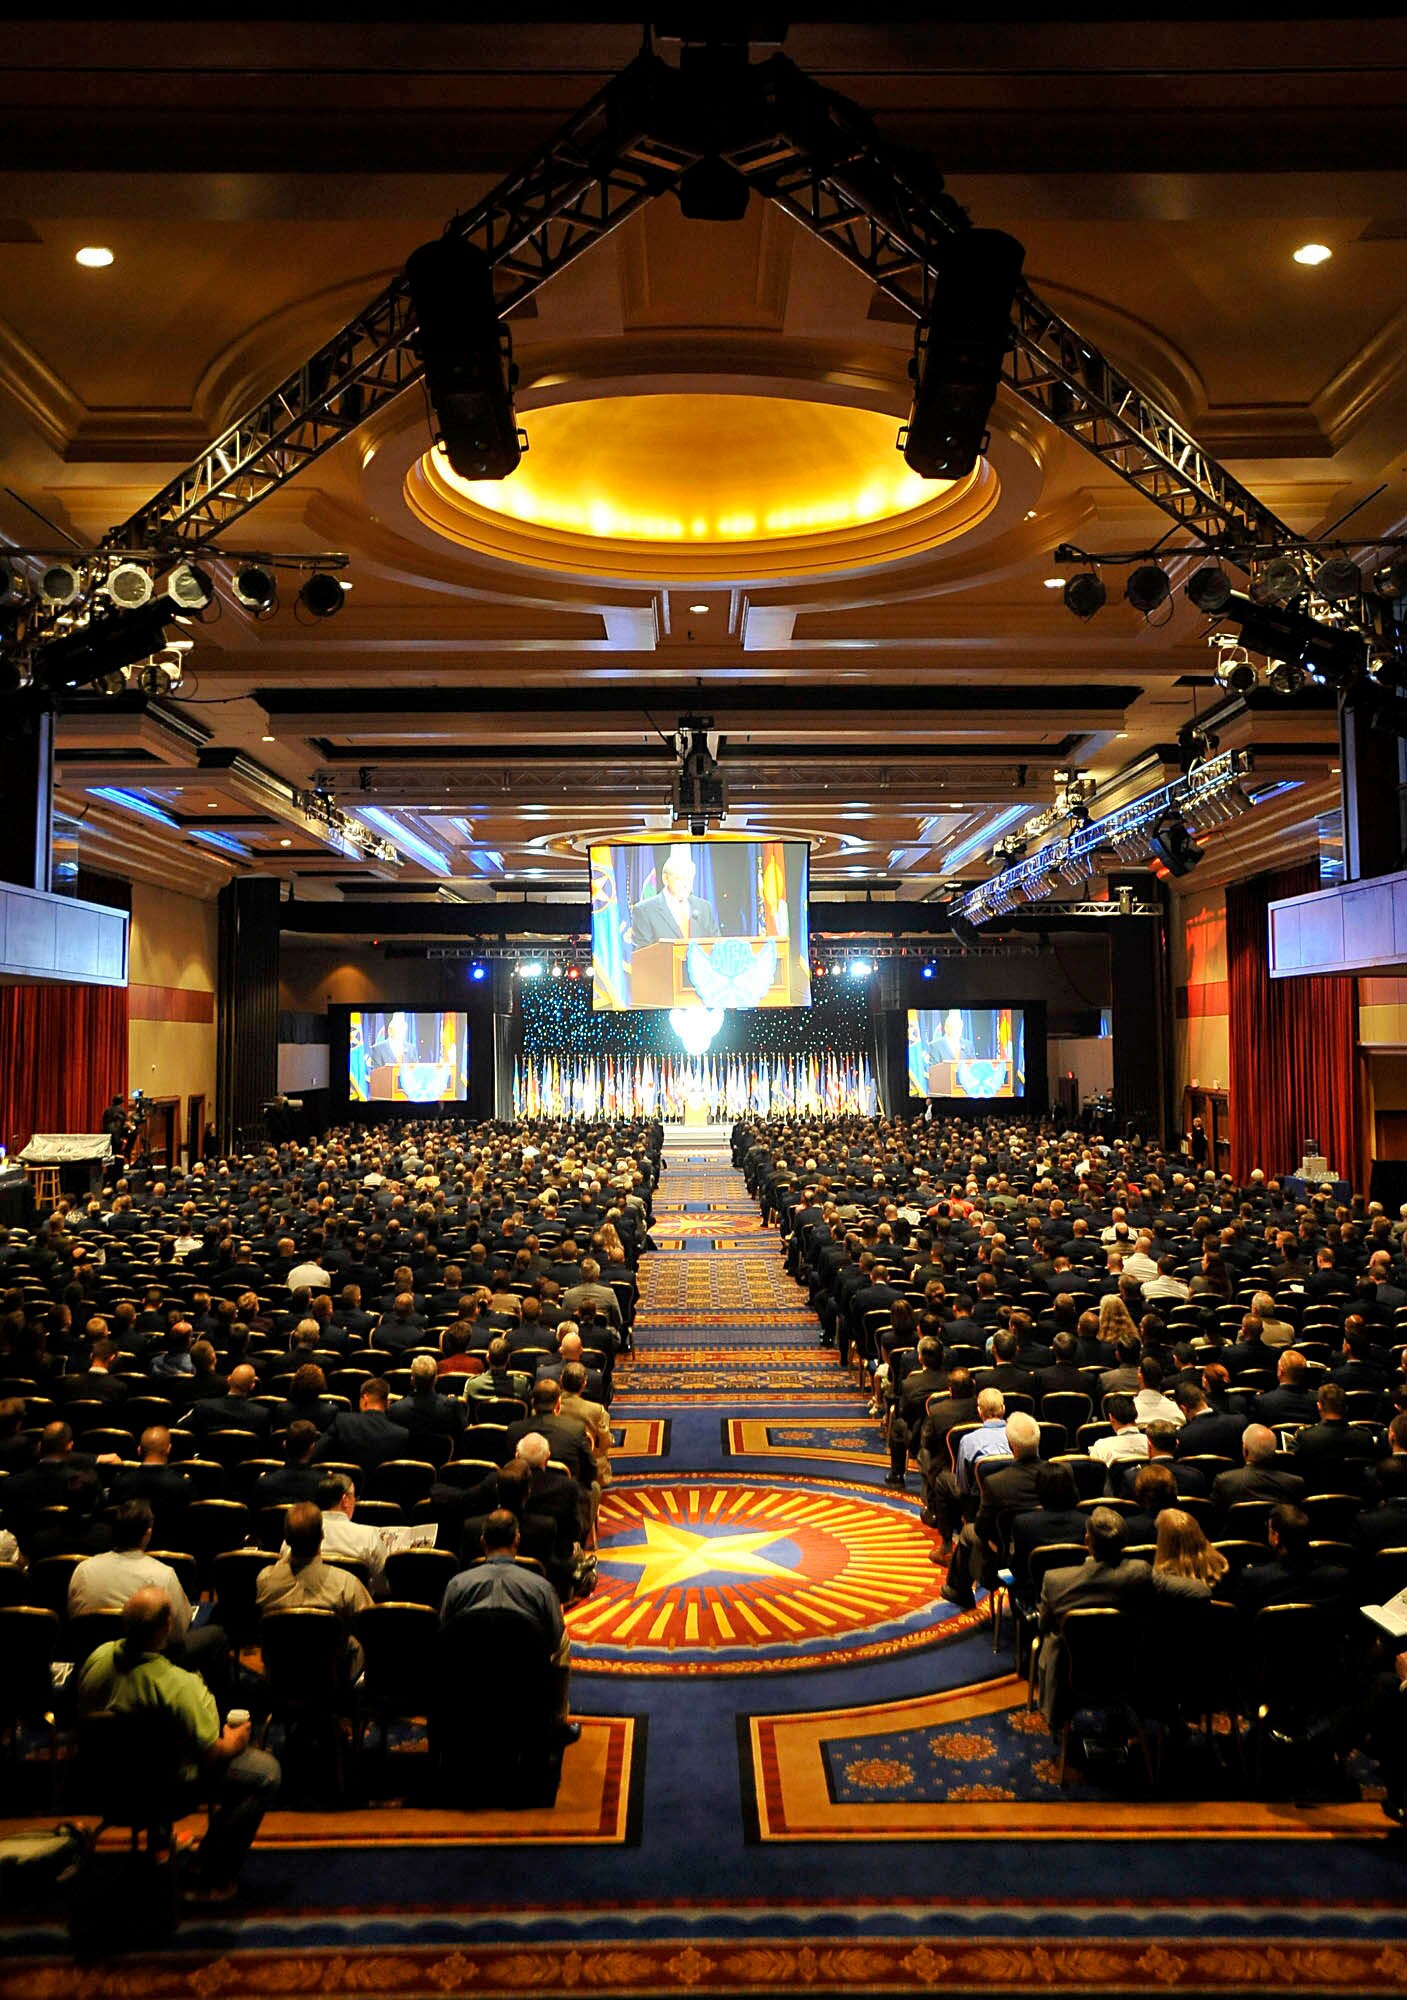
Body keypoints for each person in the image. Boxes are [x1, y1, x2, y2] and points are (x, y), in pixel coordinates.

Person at [76, 1586, 280, 1902]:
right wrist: (236, 1741)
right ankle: (210, 1874)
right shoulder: (179, 1687)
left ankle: (160, 1840)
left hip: (101, 1785)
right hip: (165, 1791)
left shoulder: (96, 1659)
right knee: (266, 1773)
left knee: (144, 1752)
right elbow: (213, 1755)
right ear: (167, 1626)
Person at [440, 1508, 578, 1738]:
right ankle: (555, 1722)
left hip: (469, 1686)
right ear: (517, 1539)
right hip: (524, 1687)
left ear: (483, 1541)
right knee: (563, 1643)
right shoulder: (541, 1588)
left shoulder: (456, 1585)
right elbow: (554, 1641)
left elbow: (444, 1635)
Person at [1034, 1507, 1153, 1723]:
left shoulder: (1055, 1580)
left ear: (1087, 1540)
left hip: (1071, 1676)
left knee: (1052, 1640)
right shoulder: (1140, 1572)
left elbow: (1043, 1626)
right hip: (1128, 1670)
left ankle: (1057, 1718)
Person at [256, 1501, 373, 1674]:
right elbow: (372, 1627)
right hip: (331, 1682)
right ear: (322, 1536)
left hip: (282, 1677)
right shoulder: (346, 1585)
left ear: (287, 1540)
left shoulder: (265, 1580)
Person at [628, 844, 721, 945]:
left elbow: (716, 947)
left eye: (689, 879)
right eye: (680, 879)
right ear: (665, 879)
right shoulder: (645, 910)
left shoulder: (704, 908)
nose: (686, 884)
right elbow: (643, 955)